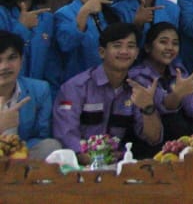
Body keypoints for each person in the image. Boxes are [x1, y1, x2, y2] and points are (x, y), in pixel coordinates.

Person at [53, 23, 163, 158]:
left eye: (130, 46)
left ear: (136, 54)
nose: (124, 51)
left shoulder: (139, 88)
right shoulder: (76, 87)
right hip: (78, 164)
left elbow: (153, 139)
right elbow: (66, 135)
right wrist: (96, 159)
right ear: (102, 52)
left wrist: (148, 108)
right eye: (117, 46)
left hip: (119, 161)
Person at [128, 22, 193, 143]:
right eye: (163, 42)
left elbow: (191, 101)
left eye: (175, 43)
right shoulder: (138, 76)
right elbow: (165, 106)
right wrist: (177, 94)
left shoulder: (177, 69)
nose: (170, 47)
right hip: (148, 140)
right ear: (147, 47)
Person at [0, 29, 60, 160]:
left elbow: (41, 135)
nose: (5, 66)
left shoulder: (39, 90)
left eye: (12, 58)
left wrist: (17, 150)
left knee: (51, 146)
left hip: (23, 154)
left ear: (21, 60)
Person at [55, 0, 121, 80]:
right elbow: (66, 44)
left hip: (105, 81)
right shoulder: (64, 13)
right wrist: (84, 12)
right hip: (76, 83)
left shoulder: (109, 16)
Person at [0, 0, 59, 87]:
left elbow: (51, 63)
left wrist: (51, 92)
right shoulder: (2, 14)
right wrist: (22, 27)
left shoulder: (47, 18)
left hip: (37, 92)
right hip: (6, 91)